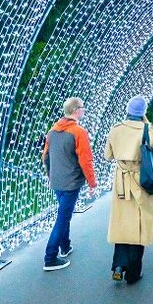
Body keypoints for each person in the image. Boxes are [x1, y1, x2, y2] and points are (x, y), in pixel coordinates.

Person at [104, 96, 153, 284]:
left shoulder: (115, 129)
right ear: (143, 112)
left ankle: (119, 265)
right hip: (142, 181)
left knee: (122, 224)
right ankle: (133, 273)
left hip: (121, 182)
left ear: (128, 109)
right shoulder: (148, 130)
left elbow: (108, 155)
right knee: (139, 226)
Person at [41, 97, 97, 271]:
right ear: (75, 110)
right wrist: (92, 183)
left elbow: (45, 156)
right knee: (63, 217)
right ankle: (50, 257)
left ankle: (65, 246)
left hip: (57, 181)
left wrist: (51, 175)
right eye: (82, 107)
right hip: (71, 182)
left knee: (64, 214)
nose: (84, 110)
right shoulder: (78, 132)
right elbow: (85, 160)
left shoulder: (52, 131)